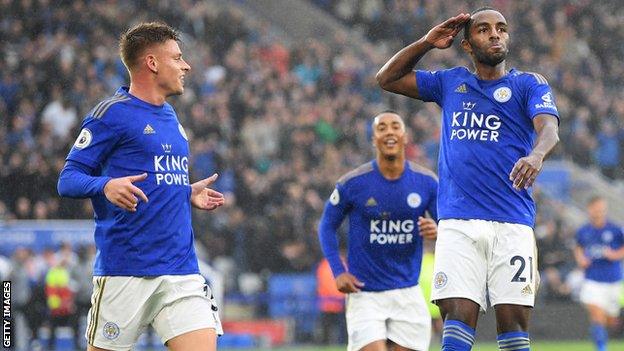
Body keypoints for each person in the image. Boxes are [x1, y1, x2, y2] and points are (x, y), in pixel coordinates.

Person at [376, 6, 560, 351]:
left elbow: (549, 129)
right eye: (484, 29)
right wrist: (427, 42)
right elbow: (386, 78)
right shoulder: (450, 82)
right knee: (457, 325)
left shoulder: (528, 84)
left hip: (512, 224)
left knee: (515, 329)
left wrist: (536, 155)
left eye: (502, 29)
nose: (495, 34)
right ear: (466, 44)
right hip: (458, 223)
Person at [57, 22, 225, 351]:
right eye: (177, 58)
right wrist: (104, 185)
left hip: (181, 271)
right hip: (126, 272)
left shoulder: (172, 117)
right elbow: (68, 178)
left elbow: (156, 177)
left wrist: (185, 191)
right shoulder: (111, 114)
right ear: (152, 63)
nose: (186, 65)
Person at [318, 111, 439, 351]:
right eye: (382, 128)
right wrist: (338, 271)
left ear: (405, 137)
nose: (389, 131)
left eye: (396, 126)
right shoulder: (353, 183)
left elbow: (448, 225)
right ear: (374, 139)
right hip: (365, 294)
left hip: (408, 293)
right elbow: (326, 226)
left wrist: (438, 230)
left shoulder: (427, 182)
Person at [574, 196, 624, 351]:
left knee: (610, 320)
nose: (599, 212)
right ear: (590, 209)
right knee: (596, 314)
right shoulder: (583, 231)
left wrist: (614, 255)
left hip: (613, 280)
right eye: (596, 208)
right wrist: (581, 259)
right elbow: (578, 247)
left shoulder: (615, 230)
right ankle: (601, 348)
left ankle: (601, 333)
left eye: (602, 208)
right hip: (592, 279)